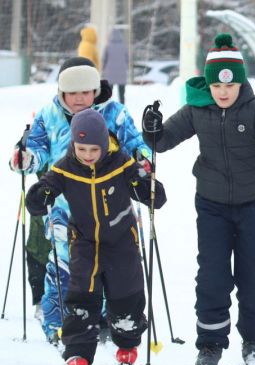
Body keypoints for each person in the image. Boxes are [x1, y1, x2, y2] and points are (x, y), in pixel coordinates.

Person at [141, 33, 255, 365]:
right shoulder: (197, 110)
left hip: (254, 204)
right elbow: (163, 141)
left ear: (240, 83)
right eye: (216, 85)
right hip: (212, 205)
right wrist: (152, 129)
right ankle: (211, 343)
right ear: (209, 84)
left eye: (229, 85)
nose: (222, 92)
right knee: (212, 276)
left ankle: (253, 339)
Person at [9, 57, 151, 343]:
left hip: (112, 208)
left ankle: (107, 318)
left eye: (86, 92)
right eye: (72, 93)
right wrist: (25, 158)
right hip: (66, 208)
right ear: (61, 92)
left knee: (113, 265)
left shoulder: (114, 113)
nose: (79, 98)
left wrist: (142, 159)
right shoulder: (49, 115)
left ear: (95, 90)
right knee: (66, 265)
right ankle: (59, 323)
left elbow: (136, 145)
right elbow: (36, 150)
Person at [24, 109, 165, 365]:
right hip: (84, 242)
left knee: (126, 294)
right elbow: (44, 189)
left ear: (103, 144)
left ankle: (127, 343)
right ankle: (78, 351)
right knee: (82, 296)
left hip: (121, 240)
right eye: (81, 149)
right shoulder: (66, 168)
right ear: (73, 145)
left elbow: (155, 194)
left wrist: (146, 187)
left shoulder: (120, 163)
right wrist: (40, 195)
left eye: (93, 149)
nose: (87, 155)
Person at [102, 28, 129, 104]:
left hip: (110, 72)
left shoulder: (108, 46)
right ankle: (122, 105)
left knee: (109, 92)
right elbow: (127, 59)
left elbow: (104, 59)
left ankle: (108, 105)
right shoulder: (124, 46)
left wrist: (103, 69)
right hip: (122, 73)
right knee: (122, 93)